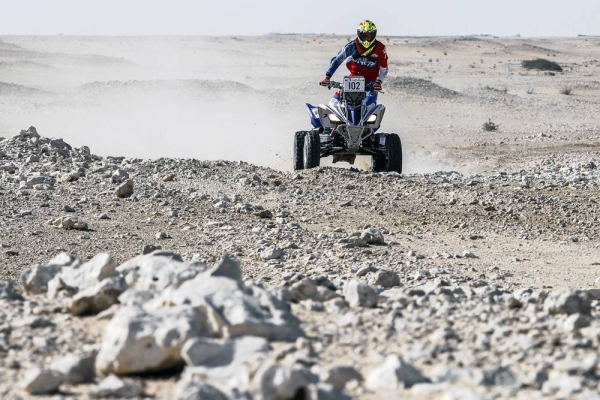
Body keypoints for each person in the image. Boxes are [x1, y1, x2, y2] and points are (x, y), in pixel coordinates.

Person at [320, 20, 388, 107]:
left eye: (368, 36)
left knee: (369, 106)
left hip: (371, 83)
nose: (366, 39)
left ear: (374, 35)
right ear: (358, 35)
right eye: (363, 36)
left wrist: (378, 82)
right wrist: (327, 77)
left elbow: (384, 68)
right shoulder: (351, 46)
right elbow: (337, 60)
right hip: (351, 80)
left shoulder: (380, 48)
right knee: (333, 104)